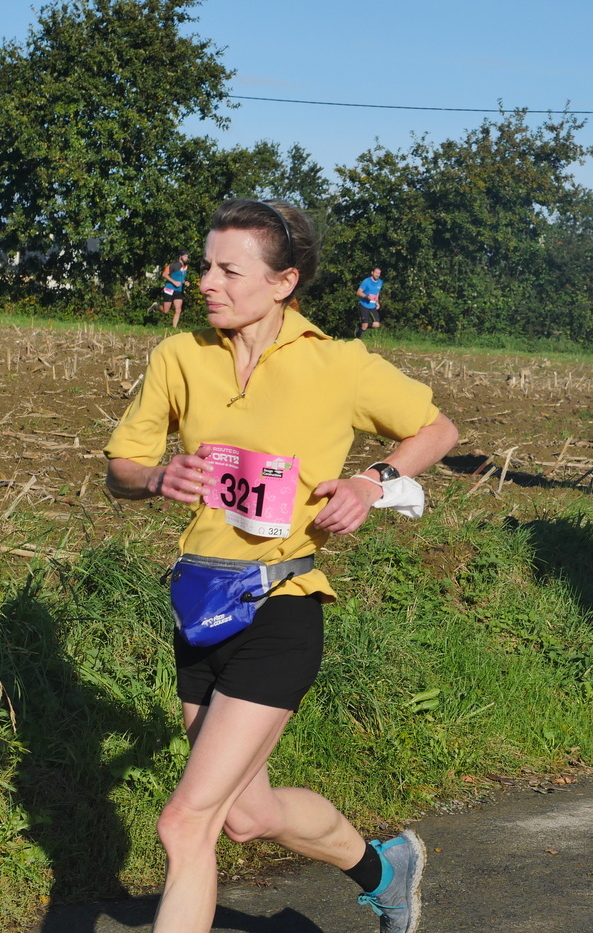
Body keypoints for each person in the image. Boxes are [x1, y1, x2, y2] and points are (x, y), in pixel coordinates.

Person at [104, 200, 458, 933]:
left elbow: (437, 428)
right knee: (246, 815)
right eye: (206, 265)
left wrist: (371, 483)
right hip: (201, 606)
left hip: (282, 604)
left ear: (282, 281)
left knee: (185, 822)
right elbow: (121, 467)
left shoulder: (337, 363)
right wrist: (156, 477)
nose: (207, 282)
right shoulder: (179, 355)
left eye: (228, 271)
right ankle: (385, 870)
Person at [149, 253, 191, 327]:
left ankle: (174, 328)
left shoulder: (185, 267)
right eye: (185, 256)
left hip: (178, 290)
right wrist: (174, 282)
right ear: (180, 257)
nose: (187, 258)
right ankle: (156, 307)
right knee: (166, 311)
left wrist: (185, 282)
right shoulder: (174, 265)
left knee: (178, 310)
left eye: (187, 256)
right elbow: (164, 274)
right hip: (169, 289)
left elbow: (180, 278)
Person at [356, 267, 384, 337]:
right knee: (365, 325)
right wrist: (366, 296)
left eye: (379, 273)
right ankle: (358, 340)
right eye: (376, 273)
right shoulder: (366, 281)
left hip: (372, 306)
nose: (377, 275)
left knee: (377, 324)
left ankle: (360, 326)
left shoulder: (380, 282)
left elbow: (377, 292)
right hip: (364, 305)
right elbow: (358, 292)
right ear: (372, 273)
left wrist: (377, 302)